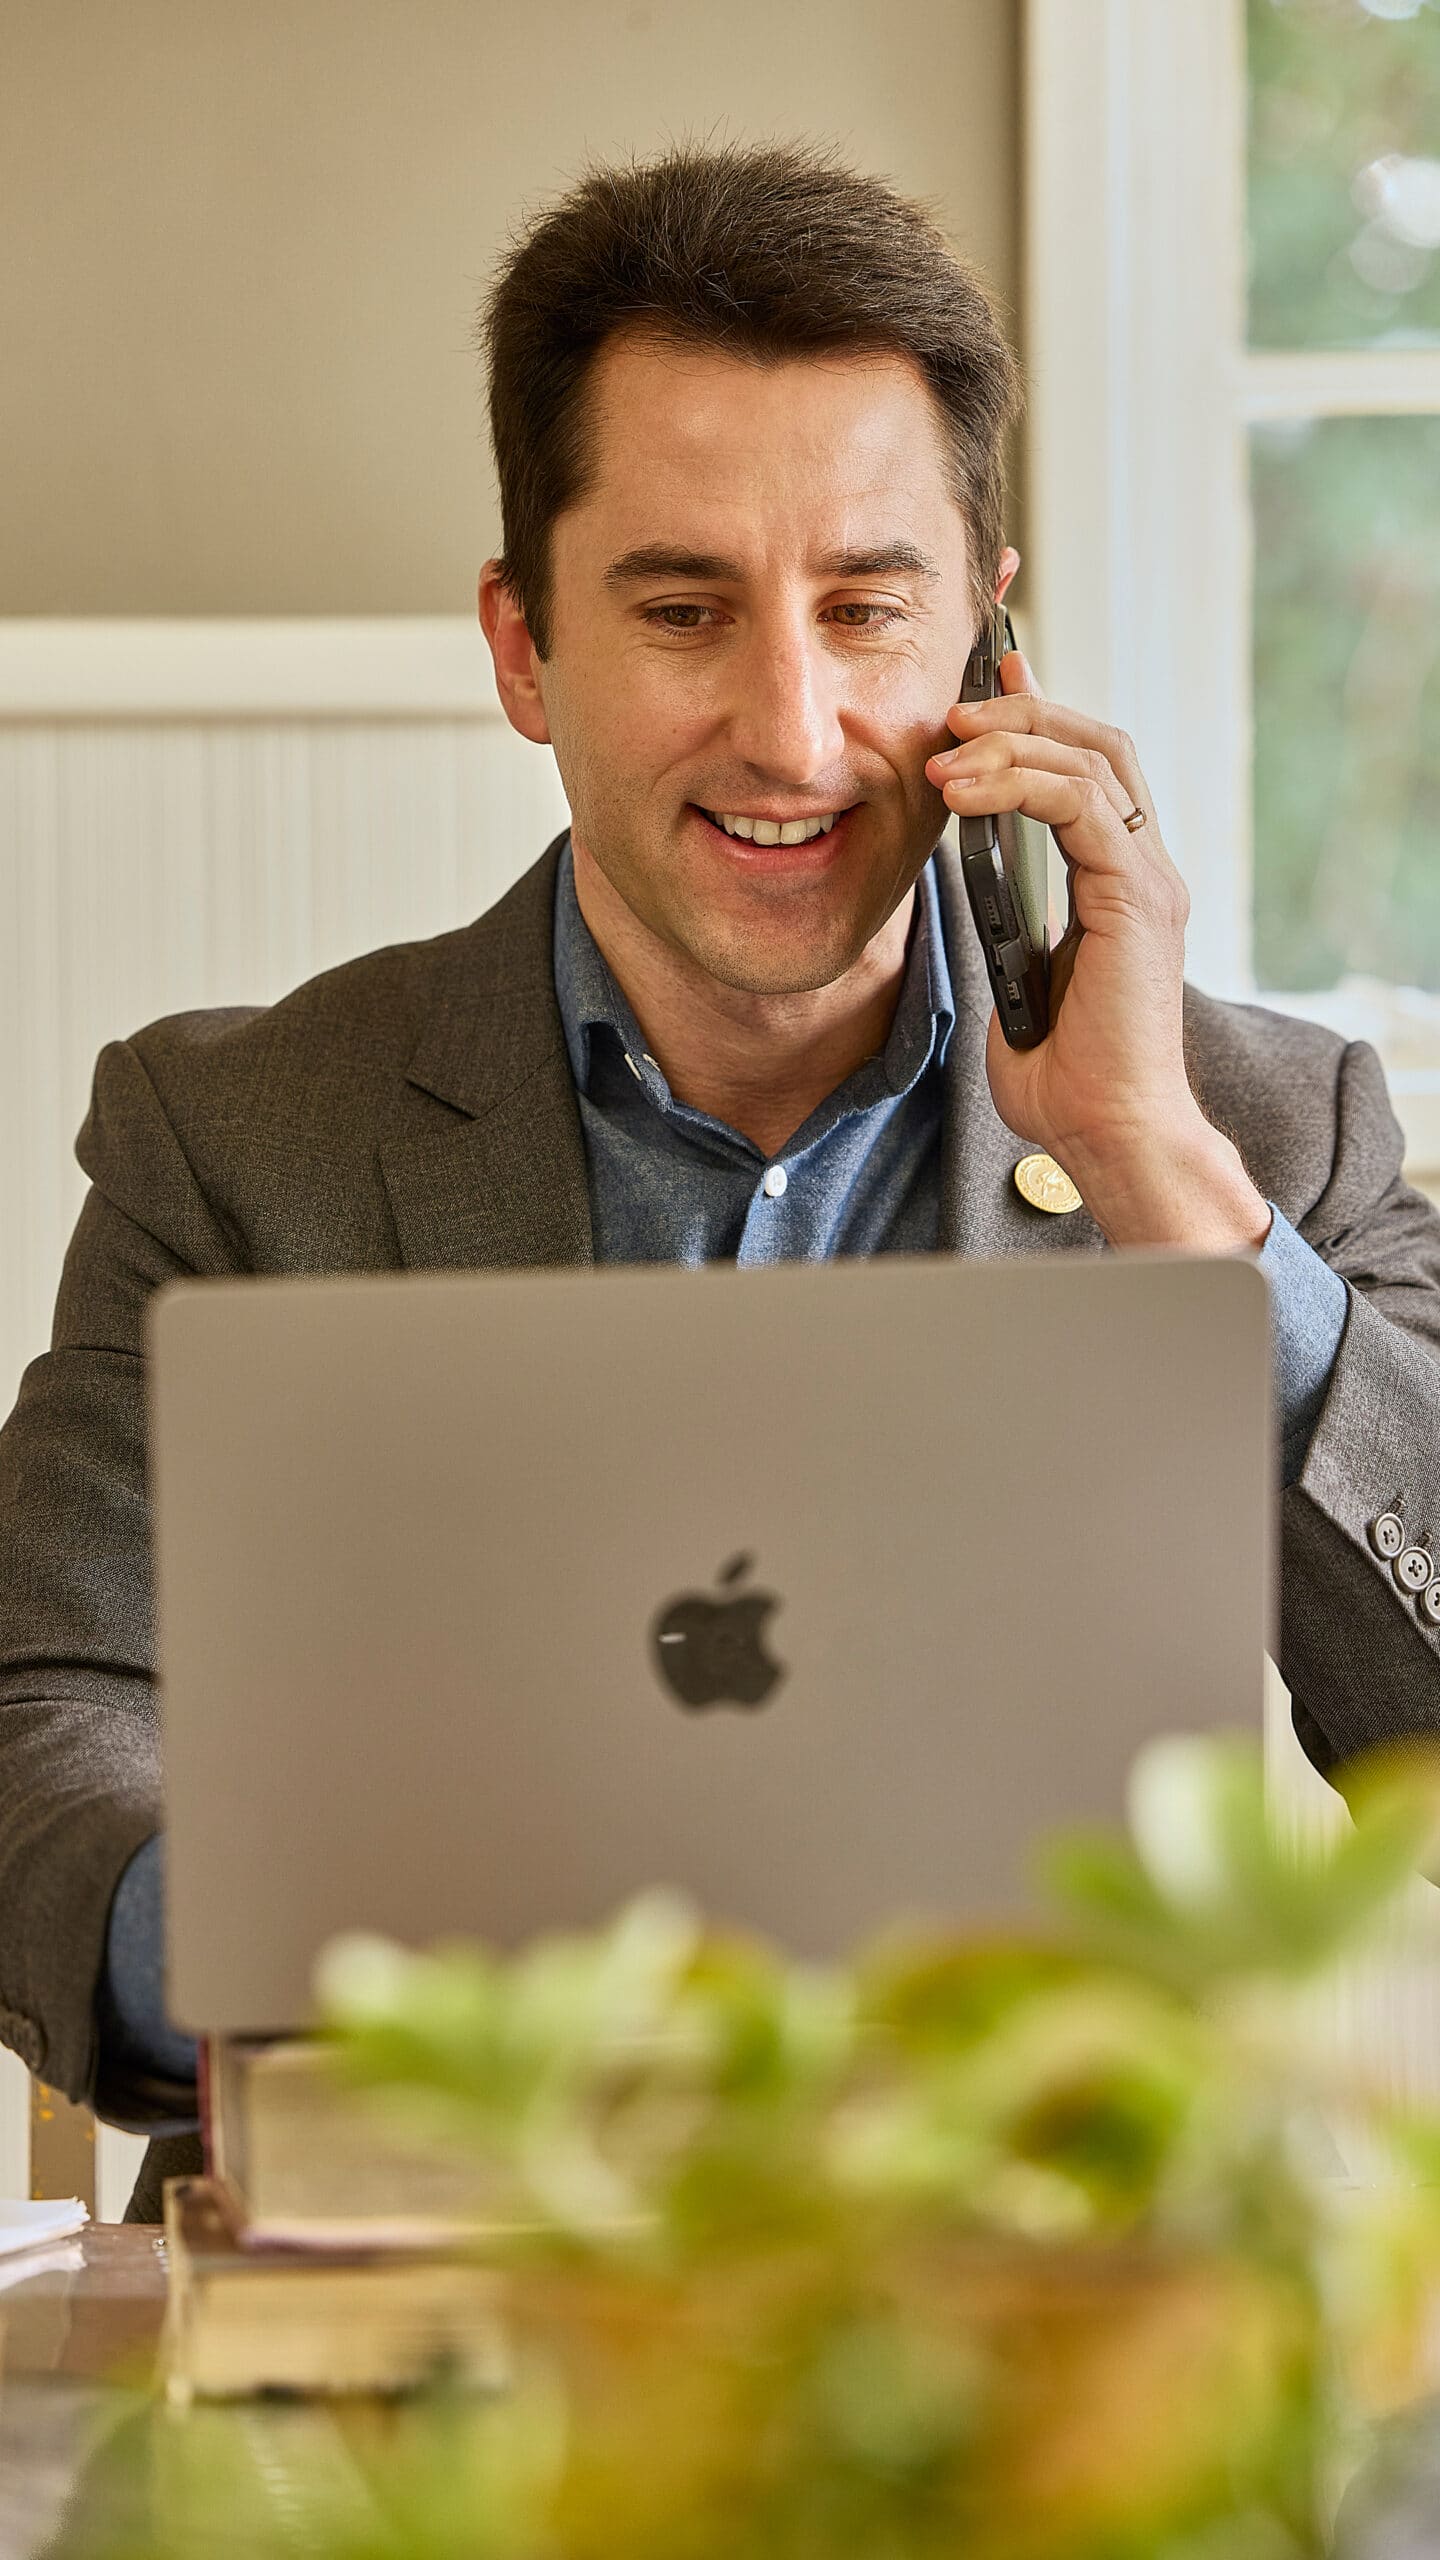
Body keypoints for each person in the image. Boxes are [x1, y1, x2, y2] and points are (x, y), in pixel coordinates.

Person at [3, 140, 1438, 2222]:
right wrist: (305, 1975)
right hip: (416, 2309)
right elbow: (49, 1714)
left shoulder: (1257, 1136)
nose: (795, 727)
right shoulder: (236, 1134)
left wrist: (1164, 1179)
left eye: (870, 608)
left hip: (1057, 2333)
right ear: (524, 648)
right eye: (685, 611)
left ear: (989, 650)